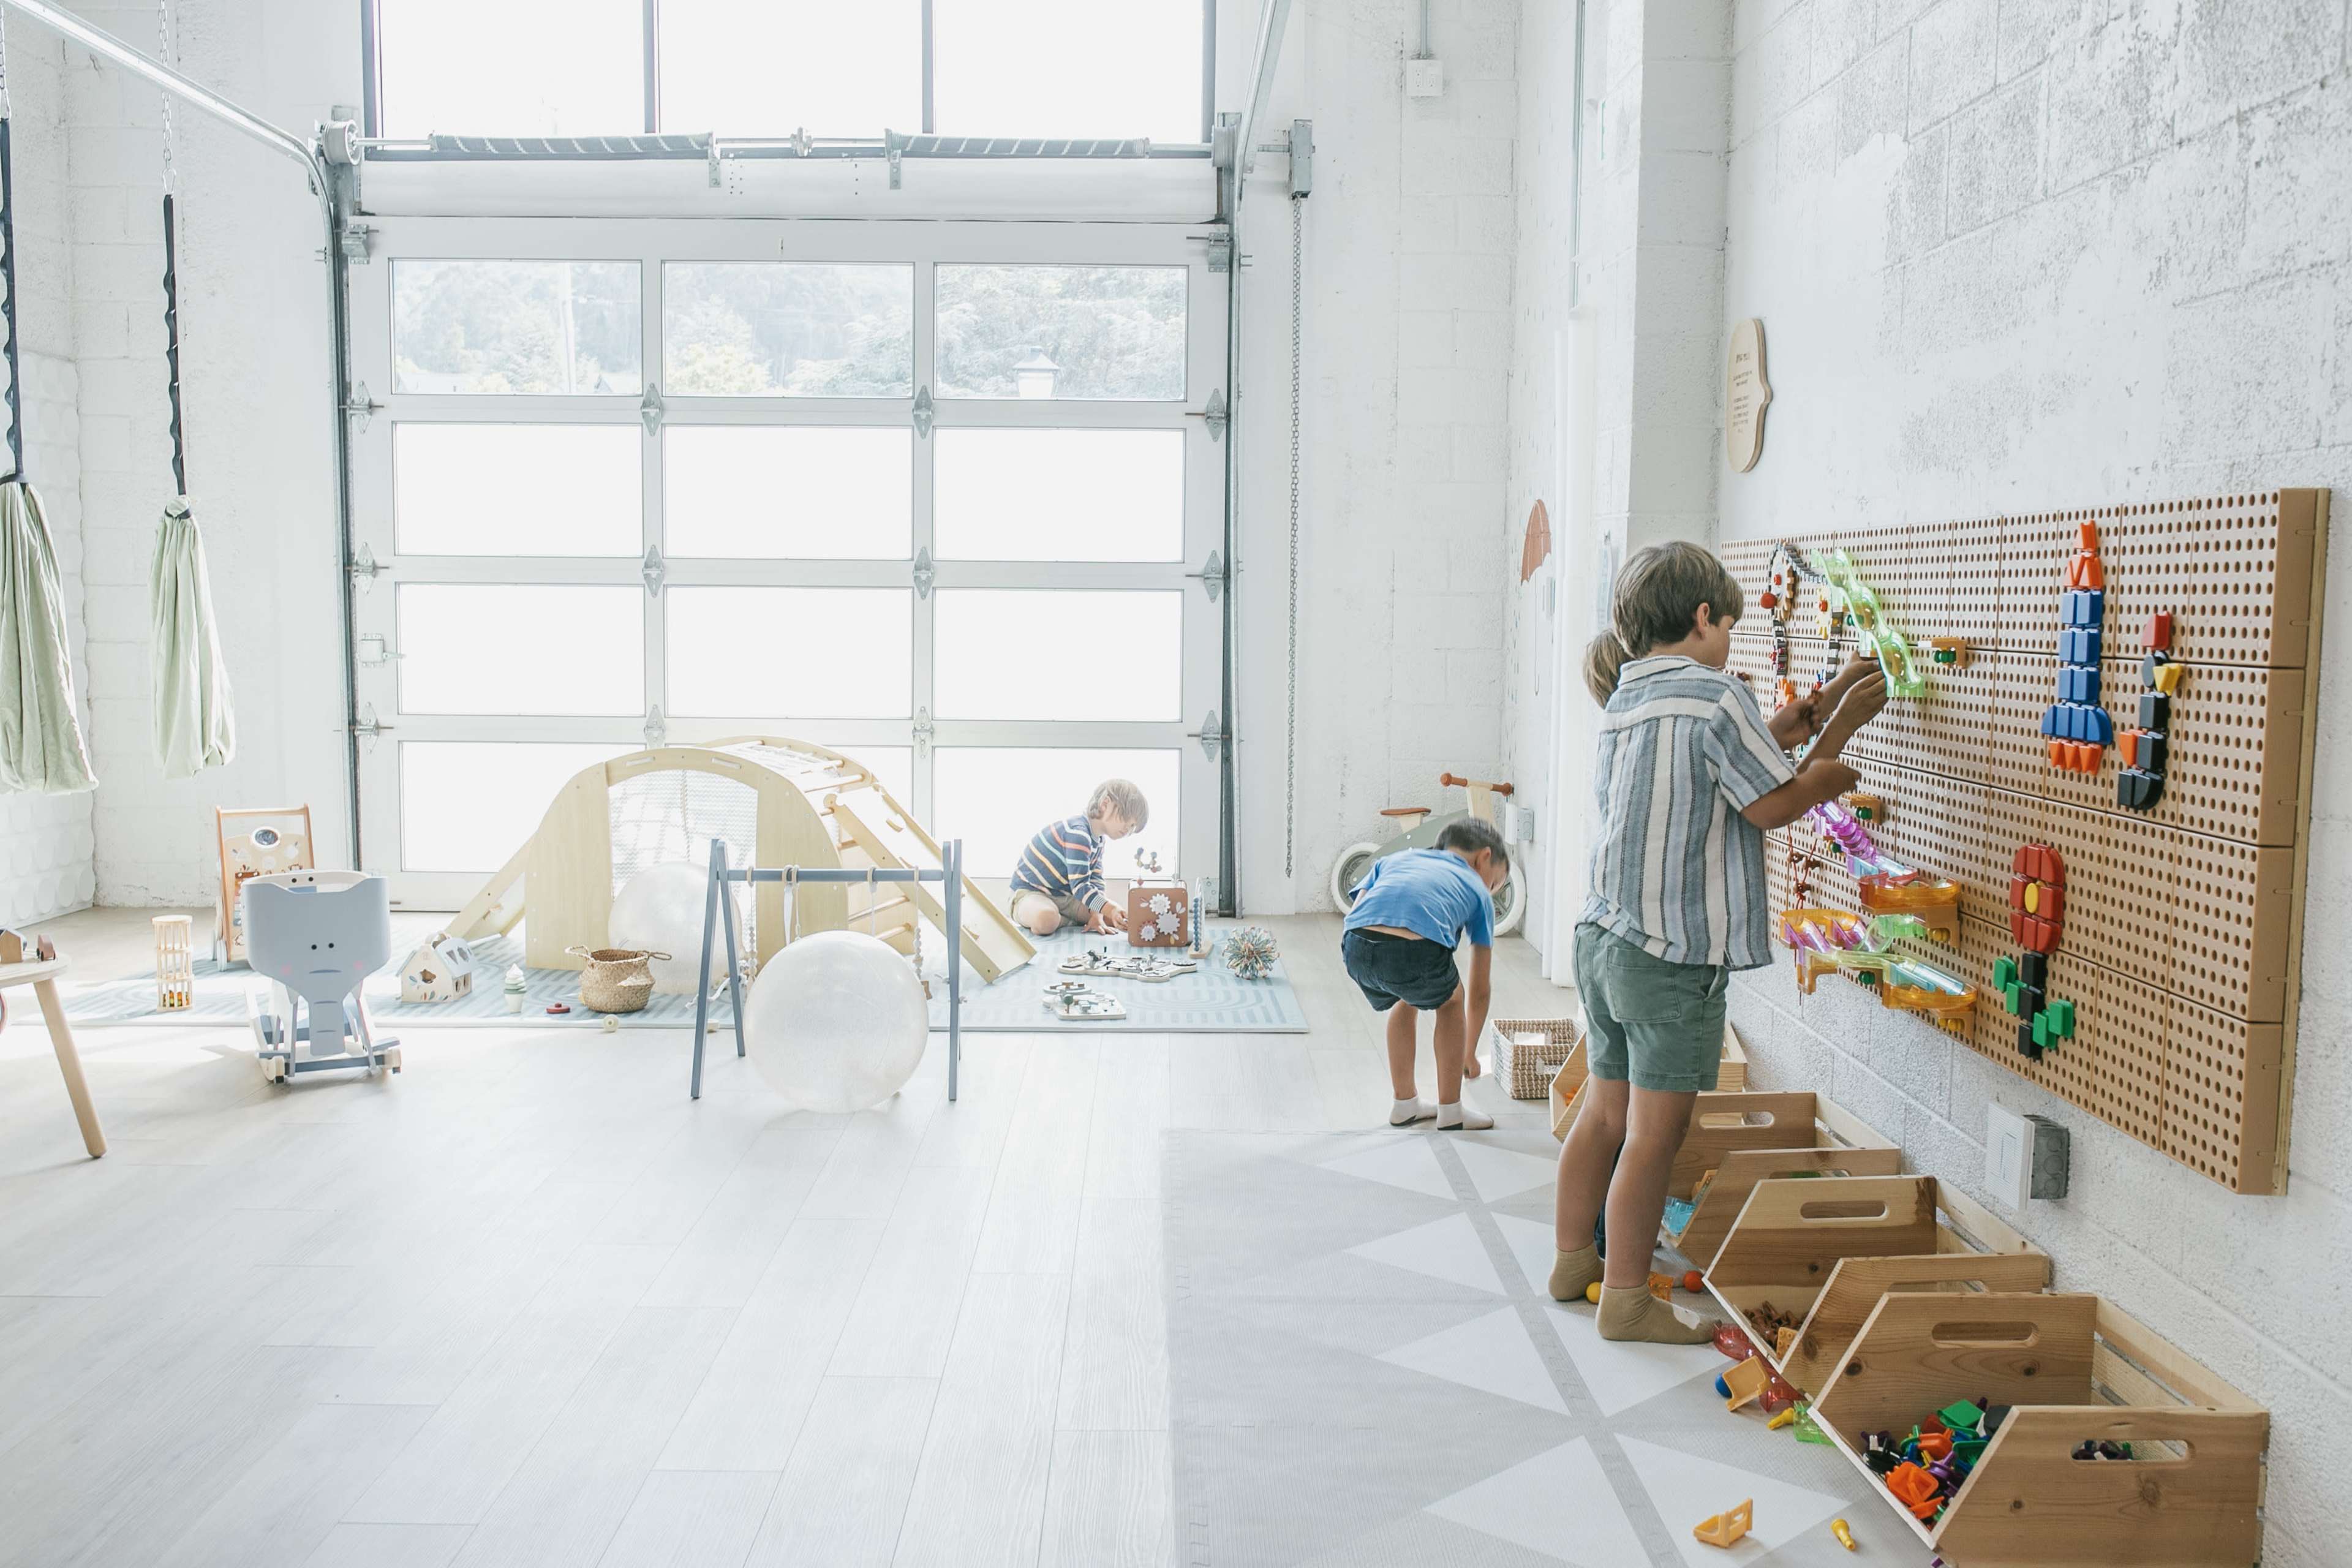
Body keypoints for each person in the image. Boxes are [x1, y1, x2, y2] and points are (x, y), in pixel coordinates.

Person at [1549, 541, 1886, 1343]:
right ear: (1704, 617)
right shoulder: (1719, 692)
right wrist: (1835, 747)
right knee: (1653, 1136)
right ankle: (1627, 1299)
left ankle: (1572, 1262)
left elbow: (1711, 767)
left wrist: (1807, 714)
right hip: (1671, 958)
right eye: (1729, 624)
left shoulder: (1629, 692)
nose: (1731, 639)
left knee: (1603, 1116)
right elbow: (1769, 805)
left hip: (1604, 941)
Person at [1340, 818, 1510, 1132]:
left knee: (1408, 997)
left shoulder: (1398, 858)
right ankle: (1452, 1111)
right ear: (1484, 858)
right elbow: (1480, 987)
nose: (1490, 891)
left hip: (1355, 947)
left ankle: (1404, 1104)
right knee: (1452, 999)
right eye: (1495, 883)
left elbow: (1356, 912)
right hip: (1413, 954)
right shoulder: (1477, 890)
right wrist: (1469, 1052)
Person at [1009, 779, 1148, 937]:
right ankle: (1062, 921)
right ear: (1105, 804)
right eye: (1127, 820)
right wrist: (1109, 908)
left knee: (1111, 918)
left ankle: (1064, 918)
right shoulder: (1078, 833)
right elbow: (1081, 887)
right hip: (1030, 894)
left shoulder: (1099, 840)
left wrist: (1098, 915)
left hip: (1065, 898)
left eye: (1133, 827)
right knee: (1046, 919)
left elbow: (1095, 880)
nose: (1129, 830)